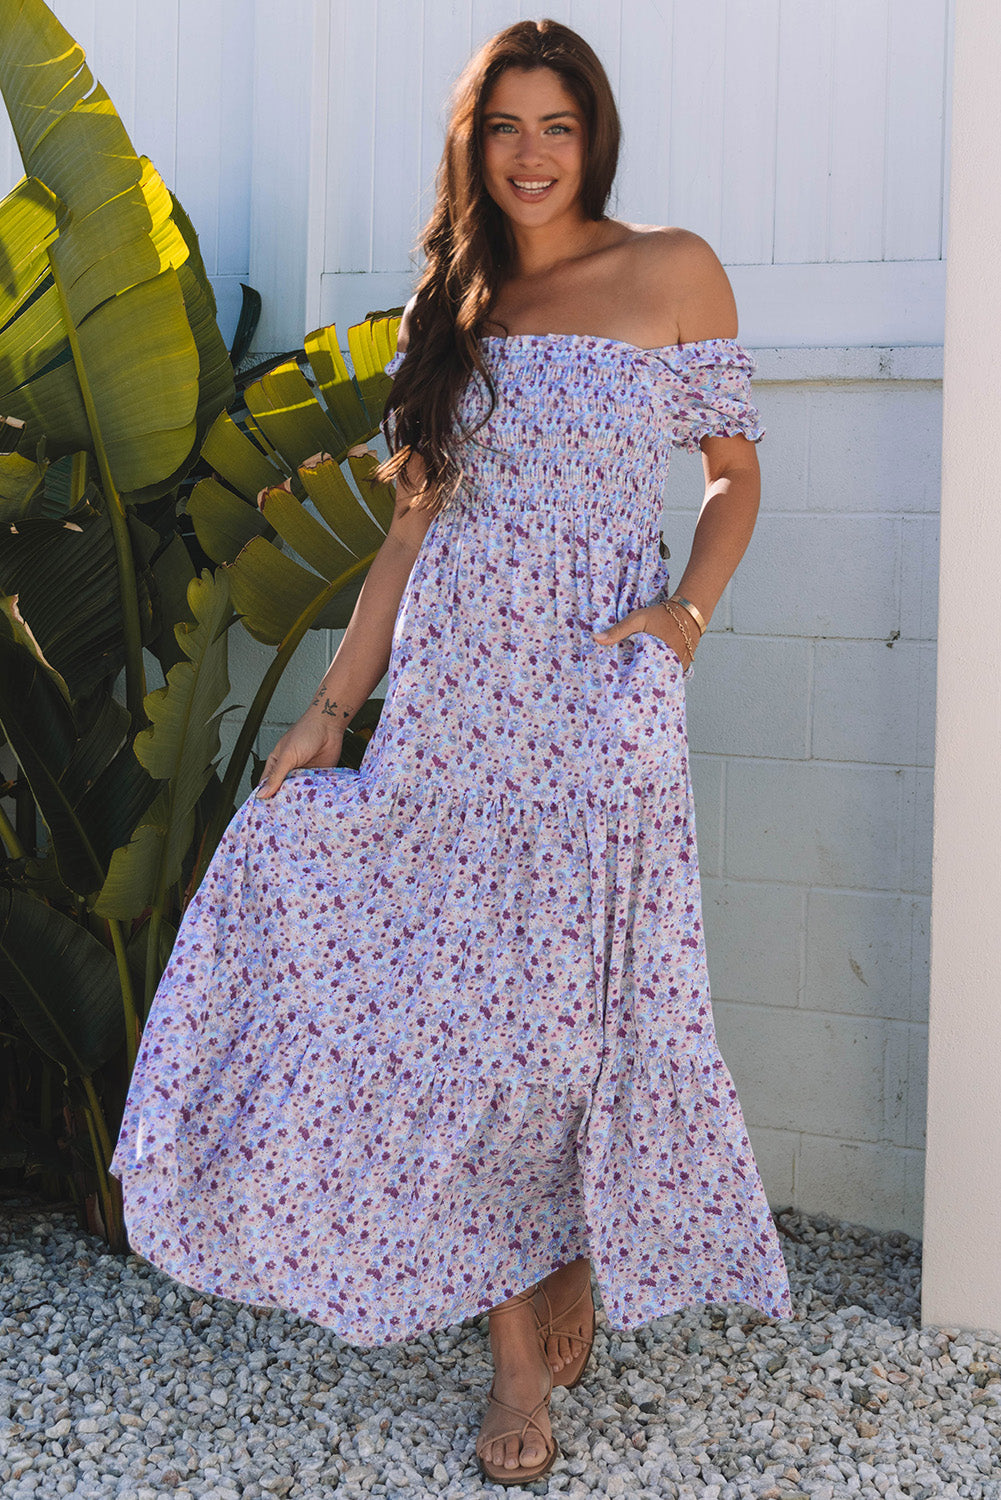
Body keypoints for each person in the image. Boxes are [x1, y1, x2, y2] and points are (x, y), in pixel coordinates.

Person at [109, 17, 793, 1488]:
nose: (531, 153)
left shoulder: (672, 269)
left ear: (593, 136)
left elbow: (734, 476)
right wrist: (330, 709)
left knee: (568, 1024)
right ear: (472, 147)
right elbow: (408, 534)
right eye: (505, 127)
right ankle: (512, 1361)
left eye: (558, 125)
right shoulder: (456, 305)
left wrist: (682, 618)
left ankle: (574, 1246)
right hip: (450, 708)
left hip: (594, 695)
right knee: (463, 1028)